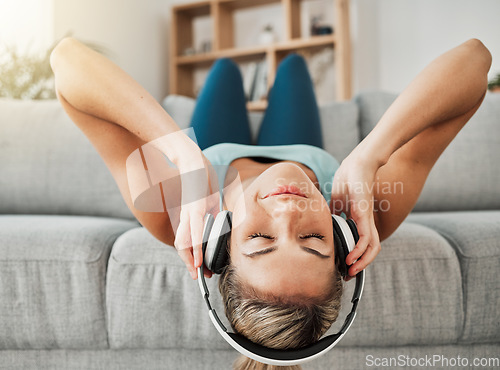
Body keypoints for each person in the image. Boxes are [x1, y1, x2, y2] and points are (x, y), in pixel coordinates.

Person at [50, 38, 491, 370]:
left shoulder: (171, 211)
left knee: (224, 67)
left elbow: (66, 60)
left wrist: (185, 154)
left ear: (219, 240)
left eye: (260, 238)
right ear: (341, 237)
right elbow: (476, 60)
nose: (287, 211)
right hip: (301, 145)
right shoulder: (363, 213)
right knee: (295, 65)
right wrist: (369, 157)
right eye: (314, 238)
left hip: (216, 145)